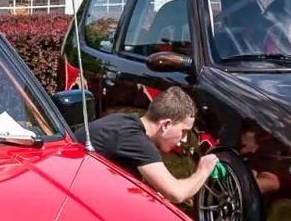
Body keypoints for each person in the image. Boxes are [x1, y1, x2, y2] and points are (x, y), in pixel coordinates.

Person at [83, 87, 218, 204]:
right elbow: (176, 193)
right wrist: (203, 171)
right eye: (184, 132)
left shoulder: (124, 120)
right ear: (165, 125)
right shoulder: (138, 142)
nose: (184, 140)